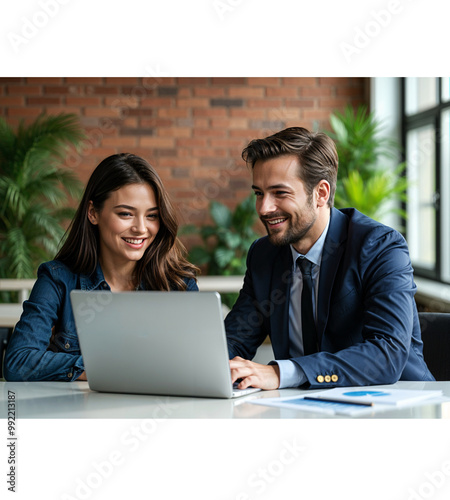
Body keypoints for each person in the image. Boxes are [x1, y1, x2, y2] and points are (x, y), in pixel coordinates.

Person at [226, 127, 434, 390]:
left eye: (280, 193)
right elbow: (235, 337)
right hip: (304, 411)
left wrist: (281, 374)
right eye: (259, 193)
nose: (264, 208)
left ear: (321, 193)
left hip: (397, 406)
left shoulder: (379, 247)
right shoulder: (264, 254)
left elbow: (387, 353)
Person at [4, 153, 198, 381]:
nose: (141, 228)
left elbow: (198, 366)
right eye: (126, 214)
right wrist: (112, 366)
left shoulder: (178, 284)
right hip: (80, 414)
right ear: (93, 213)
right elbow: (19, 362)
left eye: (152, 216)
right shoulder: (58, 279)